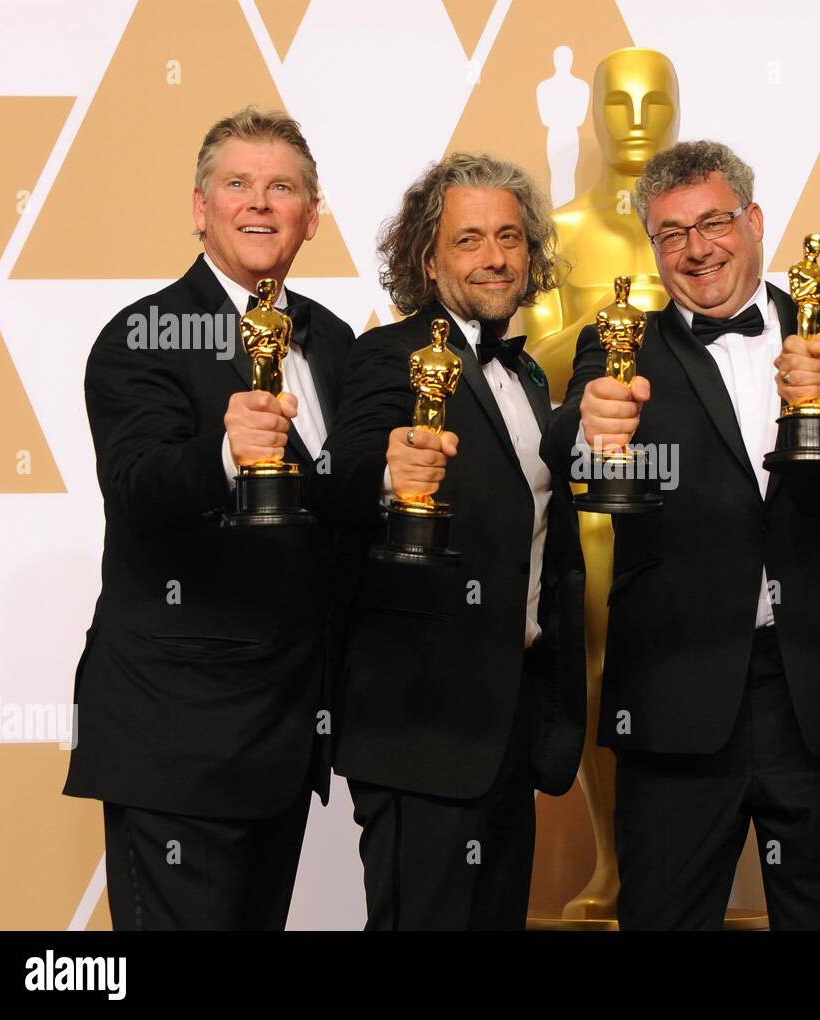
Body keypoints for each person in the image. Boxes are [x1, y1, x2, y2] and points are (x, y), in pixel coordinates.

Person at [542, 140, 820, 930]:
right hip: (674, 701)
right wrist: (595, 433)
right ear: (653, 245)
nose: (697, 248)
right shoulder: (618, 345)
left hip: (817, 695)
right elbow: (574, 453)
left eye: (714, 222)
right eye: (671, 233)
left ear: (753, 222)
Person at [65, 107, 355, 929]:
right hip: (175, 738)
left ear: (311, 213)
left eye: (282, 187)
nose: (259, 204)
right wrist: (226, 453)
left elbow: (338, 512)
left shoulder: (332, 342)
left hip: (287, 732)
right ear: (201, 207)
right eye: (237, 184)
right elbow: (136, 485)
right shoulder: (142, 334)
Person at [324, 153, 585, 930]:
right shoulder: (389, 352)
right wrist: (385, 472)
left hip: (511, 719)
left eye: (509, 237)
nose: (495, 256)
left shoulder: (530, 377)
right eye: (468, 239)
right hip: (421, 729)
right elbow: (339, 479)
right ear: (427, 259)